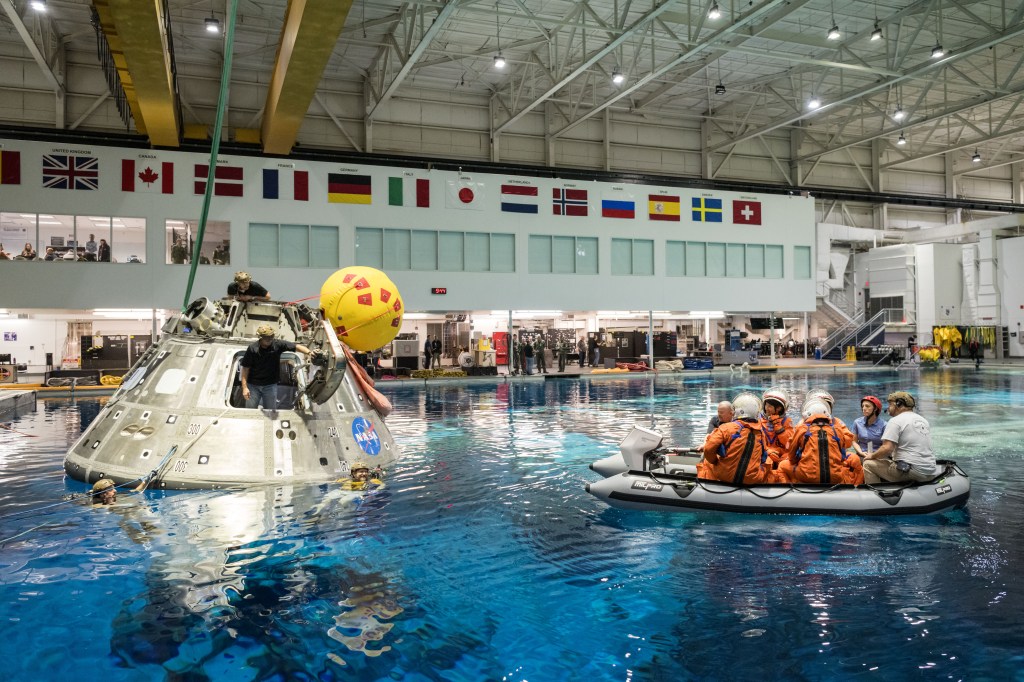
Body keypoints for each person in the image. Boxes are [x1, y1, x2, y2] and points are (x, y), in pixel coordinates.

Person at [778, 398, 862, 485]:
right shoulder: (837, 429)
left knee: (782, 466)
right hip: (836, 477)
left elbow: (791, 454)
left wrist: (799, 460)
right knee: (854, 464)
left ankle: (789, 492)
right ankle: (855, 490)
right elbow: (842, 452)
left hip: (807, 476)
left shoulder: (802, 428)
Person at [862, 391, 939, 484]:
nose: (888, 408)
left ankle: (875, 494)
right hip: (930, 471)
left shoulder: (895, 421)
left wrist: (872, 456)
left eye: (890, 404)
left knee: (868, 464)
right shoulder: (923, 420)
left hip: (912, 472)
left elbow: (887, 448)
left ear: (899, 404)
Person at [239, 324, 316, 409]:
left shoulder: (278, 344)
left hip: (270, 386)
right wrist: (245, 388)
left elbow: (296, 347)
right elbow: (245, 368)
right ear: (260, 337)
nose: (269, 339)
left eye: (271, 337)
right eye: (266, 337)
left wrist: (309, 353)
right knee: (250, 410)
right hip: (253, 386)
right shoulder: (252, 348)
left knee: (270, 411)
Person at [700, 392, 769, 484]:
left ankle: (706, 486)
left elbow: (708, 449)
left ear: (736, 411)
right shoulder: (761, 433)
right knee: (769, 463)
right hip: (752, 479)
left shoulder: (725, 428)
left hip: (725, 476)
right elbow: (763, 457)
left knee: (706, 463)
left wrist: (715, 461)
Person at [760, 388, 794, 471]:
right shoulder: (758, 420)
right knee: (767, 462)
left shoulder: (787, 421)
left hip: (781, 453)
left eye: (770, 406)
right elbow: (756, 442)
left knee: (787, 462)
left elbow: (789, 444)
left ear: (778, 408)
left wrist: (778, 426)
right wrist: (768, 451)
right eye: (766, 405)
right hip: (766, 452)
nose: (766, 408)